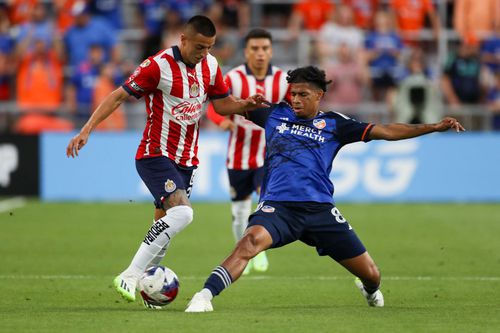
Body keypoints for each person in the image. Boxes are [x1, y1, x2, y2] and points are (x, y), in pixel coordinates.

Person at [185, 66, 465, 312]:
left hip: (321, 211)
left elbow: (387, 130)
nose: (295, 99)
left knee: (372, 274)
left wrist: (433, 127)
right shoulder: (272, 114)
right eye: (292, 93)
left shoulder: (335, 124)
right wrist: (240, 101)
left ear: (319, 96)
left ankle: (368, 290)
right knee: (249, 243)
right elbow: (223, 105)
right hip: (279, 208)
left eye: (303, 94)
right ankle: (204, 295)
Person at [65, 15, 268, 308]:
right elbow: (118, 97)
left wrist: (244, 105)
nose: (204, 53)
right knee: (184, 215)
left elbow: (222, 104)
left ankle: (149, 291)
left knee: (165, 227)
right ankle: (131, 273)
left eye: (209, 47)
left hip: (187, 160)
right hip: (155, 153)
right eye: (199, 46)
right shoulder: (157, 66)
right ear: (183, 40)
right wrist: (86, 130)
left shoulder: (210, 65)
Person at [207, 28, 289, 275]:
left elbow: (294, 110)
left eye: (264, 48)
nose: (260, 54)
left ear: (271, 51)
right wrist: (223, 122)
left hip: (269, 155)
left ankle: (259, 251)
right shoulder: (233, 78)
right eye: (255, 48)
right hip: (239, 154)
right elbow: (215, 108)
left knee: (266, 203)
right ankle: (243, 249)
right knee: (240, 211)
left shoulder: (283, 81)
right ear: (246, 51)